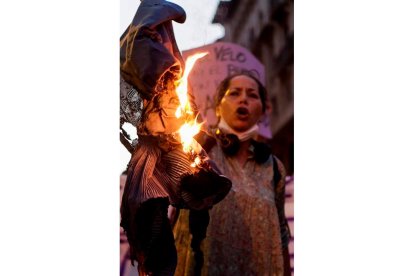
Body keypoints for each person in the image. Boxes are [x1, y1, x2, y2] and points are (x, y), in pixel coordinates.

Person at [173, 72, 291, 276]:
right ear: (218, 107)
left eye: (253, 95)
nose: (244, 98)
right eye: (234, 93)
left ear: (263, 110)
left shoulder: (275, 168)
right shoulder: (198, 151)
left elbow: (281, 235)